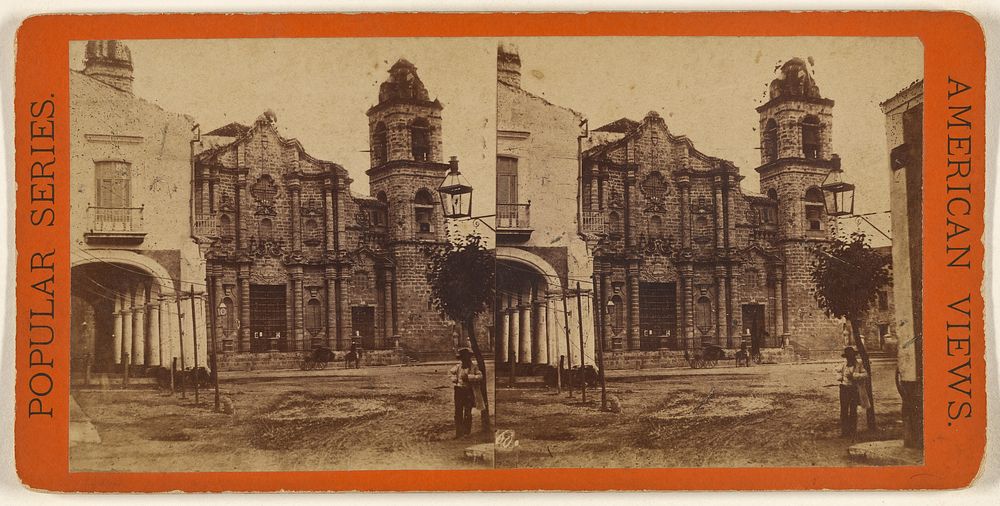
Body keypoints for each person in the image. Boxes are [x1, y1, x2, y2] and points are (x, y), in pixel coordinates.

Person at [449, 347, 482, 438]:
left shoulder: (474, 366)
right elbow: (450, 373)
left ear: (469, 357)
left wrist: (469, 377)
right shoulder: (458, 366)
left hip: (468, 391)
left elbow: (480, 376)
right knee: (458, 411)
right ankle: (458, 432)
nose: (464, 359)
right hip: (459, 391)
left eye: (466, 357)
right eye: (463, 357)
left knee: (467, 411)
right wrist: (454, 379)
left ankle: (466, 431)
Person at [837, 346, 869, 437]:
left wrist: (854, 376)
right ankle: (845, 432)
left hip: (854, 389)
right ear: (846, 357)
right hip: (844, 389)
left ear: (854, 356)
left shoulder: (859, 364)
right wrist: (840, 377)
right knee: (844, 410)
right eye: (848, 356)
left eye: (851, 356)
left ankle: (852, 431)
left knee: (853, 410)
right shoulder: (843, 364)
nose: (850, 358)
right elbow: (837, 373)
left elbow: (865, 374)